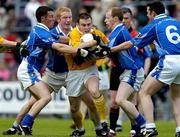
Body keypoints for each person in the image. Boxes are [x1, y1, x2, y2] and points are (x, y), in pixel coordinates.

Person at [15, 6, 89, 135]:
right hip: (29, 69)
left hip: (34, 69)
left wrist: (82, 40)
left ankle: (17, 125)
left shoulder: (44, 30)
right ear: (43, 18)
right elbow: (58, 46)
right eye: (50, 16)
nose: (53, 19)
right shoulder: (41, 31)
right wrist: (79, 50)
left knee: (37, 99)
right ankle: (25, 124)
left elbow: (61, 39)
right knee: (45, 97)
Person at [110, 1, 180, 137]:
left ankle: (150, 127)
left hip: (169, 60)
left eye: (148, 12)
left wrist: (111, 49)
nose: (147, 15)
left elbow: (132, 43)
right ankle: (179, 130)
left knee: (144, 92)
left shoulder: (153, 25)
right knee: (177, 97)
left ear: (153, 13)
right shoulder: (176, 22)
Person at [104, 7, 146, 137]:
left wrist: (109, 50)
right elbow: (108, 50)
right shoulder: (117, 31)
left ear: (115, 19)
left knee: (121, 100)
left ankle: (144, 124)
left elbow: (129, 43)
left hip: (133, 70)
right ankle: (139, 130)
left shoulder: (119, 31)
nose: (105, 20)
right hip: (127, 70)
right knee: (124, 102)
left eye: (107, 17)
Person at [66, 13, 109, 137]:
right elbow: (76, 49)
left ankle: (102, 124)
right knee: (74, 108)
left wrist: (102, 50)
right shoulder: (74, 33)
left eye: (88, 24)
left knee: (95, 91)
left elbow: (107, 45)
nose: (86, 27)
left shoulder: (96, 32)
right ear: (77, 25)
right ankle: (80, 129)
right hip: (74, 72)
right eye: (83, 25)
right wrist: (93, 42)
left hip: (91, 69)